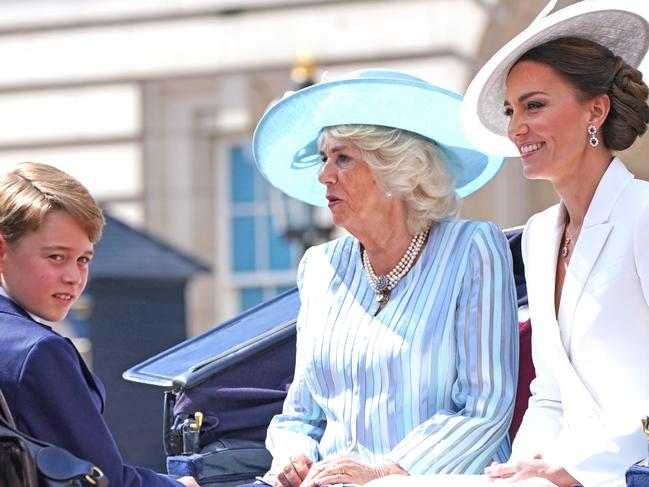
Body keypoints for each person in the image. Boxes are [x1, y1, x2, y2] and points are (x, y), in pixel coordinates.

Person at [246, 68, 519, 487]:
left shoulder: (471, 249)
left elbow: (485, 407)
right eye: (324, 159)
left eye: (342, 158)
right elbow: (300, 414)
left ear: (396, 169)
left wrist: (387, 474)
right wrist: (293, 456)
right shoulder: (320, 267)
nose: (323, 175)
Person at [458, 1, 649, 485]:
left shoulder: (643, 215)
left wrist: (579, 467)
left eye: (534, 105)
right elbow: (549, 394)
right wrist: (522, 468)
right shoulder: (540, 234)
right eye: (510, 109)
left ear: (596, 110)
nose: (516, 127)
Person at [0, 162, 200, 487]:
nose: (74, 277)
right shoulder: (37, 352)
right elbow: (107, 481)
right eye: (56, 257)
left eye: (83, 259)